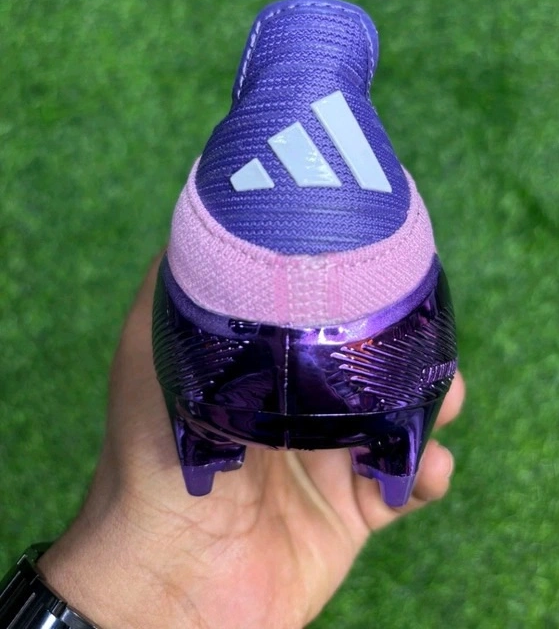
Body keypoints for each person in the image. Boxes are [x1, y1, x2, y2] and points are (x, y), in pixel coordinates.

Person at [28, 255, 465, 629]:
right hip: (384, 387)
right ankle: (392, 454)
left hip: (208, 383)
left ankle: (204, 448)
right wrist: (158, 585)